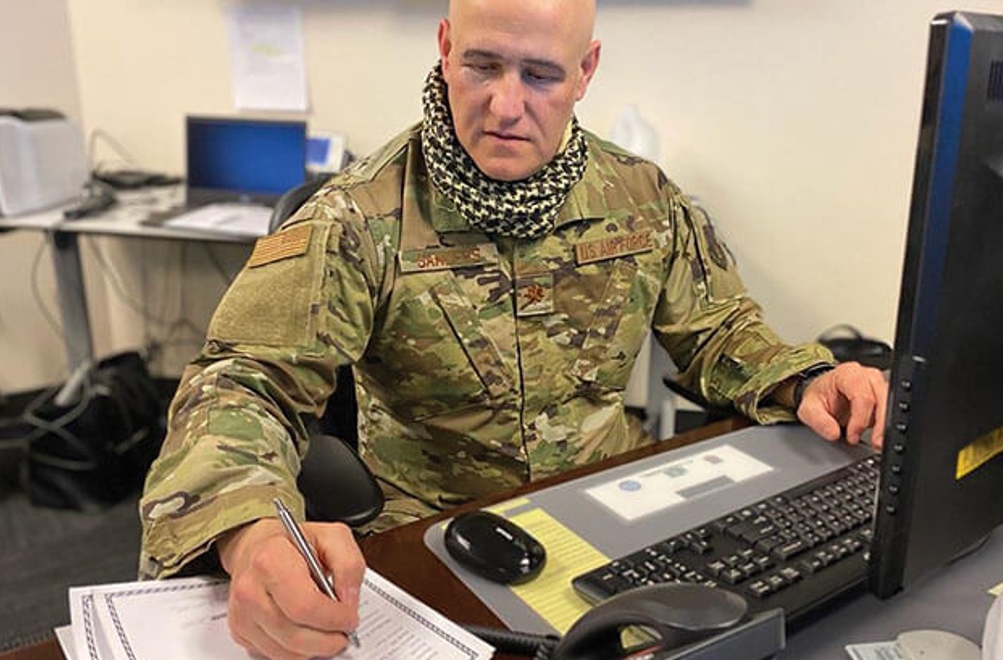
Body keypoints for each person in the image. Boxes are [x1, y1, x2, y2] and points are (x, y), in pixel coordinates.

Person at [138, 1, 889, 658]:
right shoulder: (356, 218)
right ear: (444, 48)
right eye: (482, 65)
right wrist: (251, 531)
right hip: (435, 535)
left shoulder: (642, 197)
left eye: (540, 75)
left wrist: (807, 380)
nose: (505, 105)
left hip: (615, 507)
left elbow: (719, 329)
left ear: (586, 72)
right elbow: (241, 383)